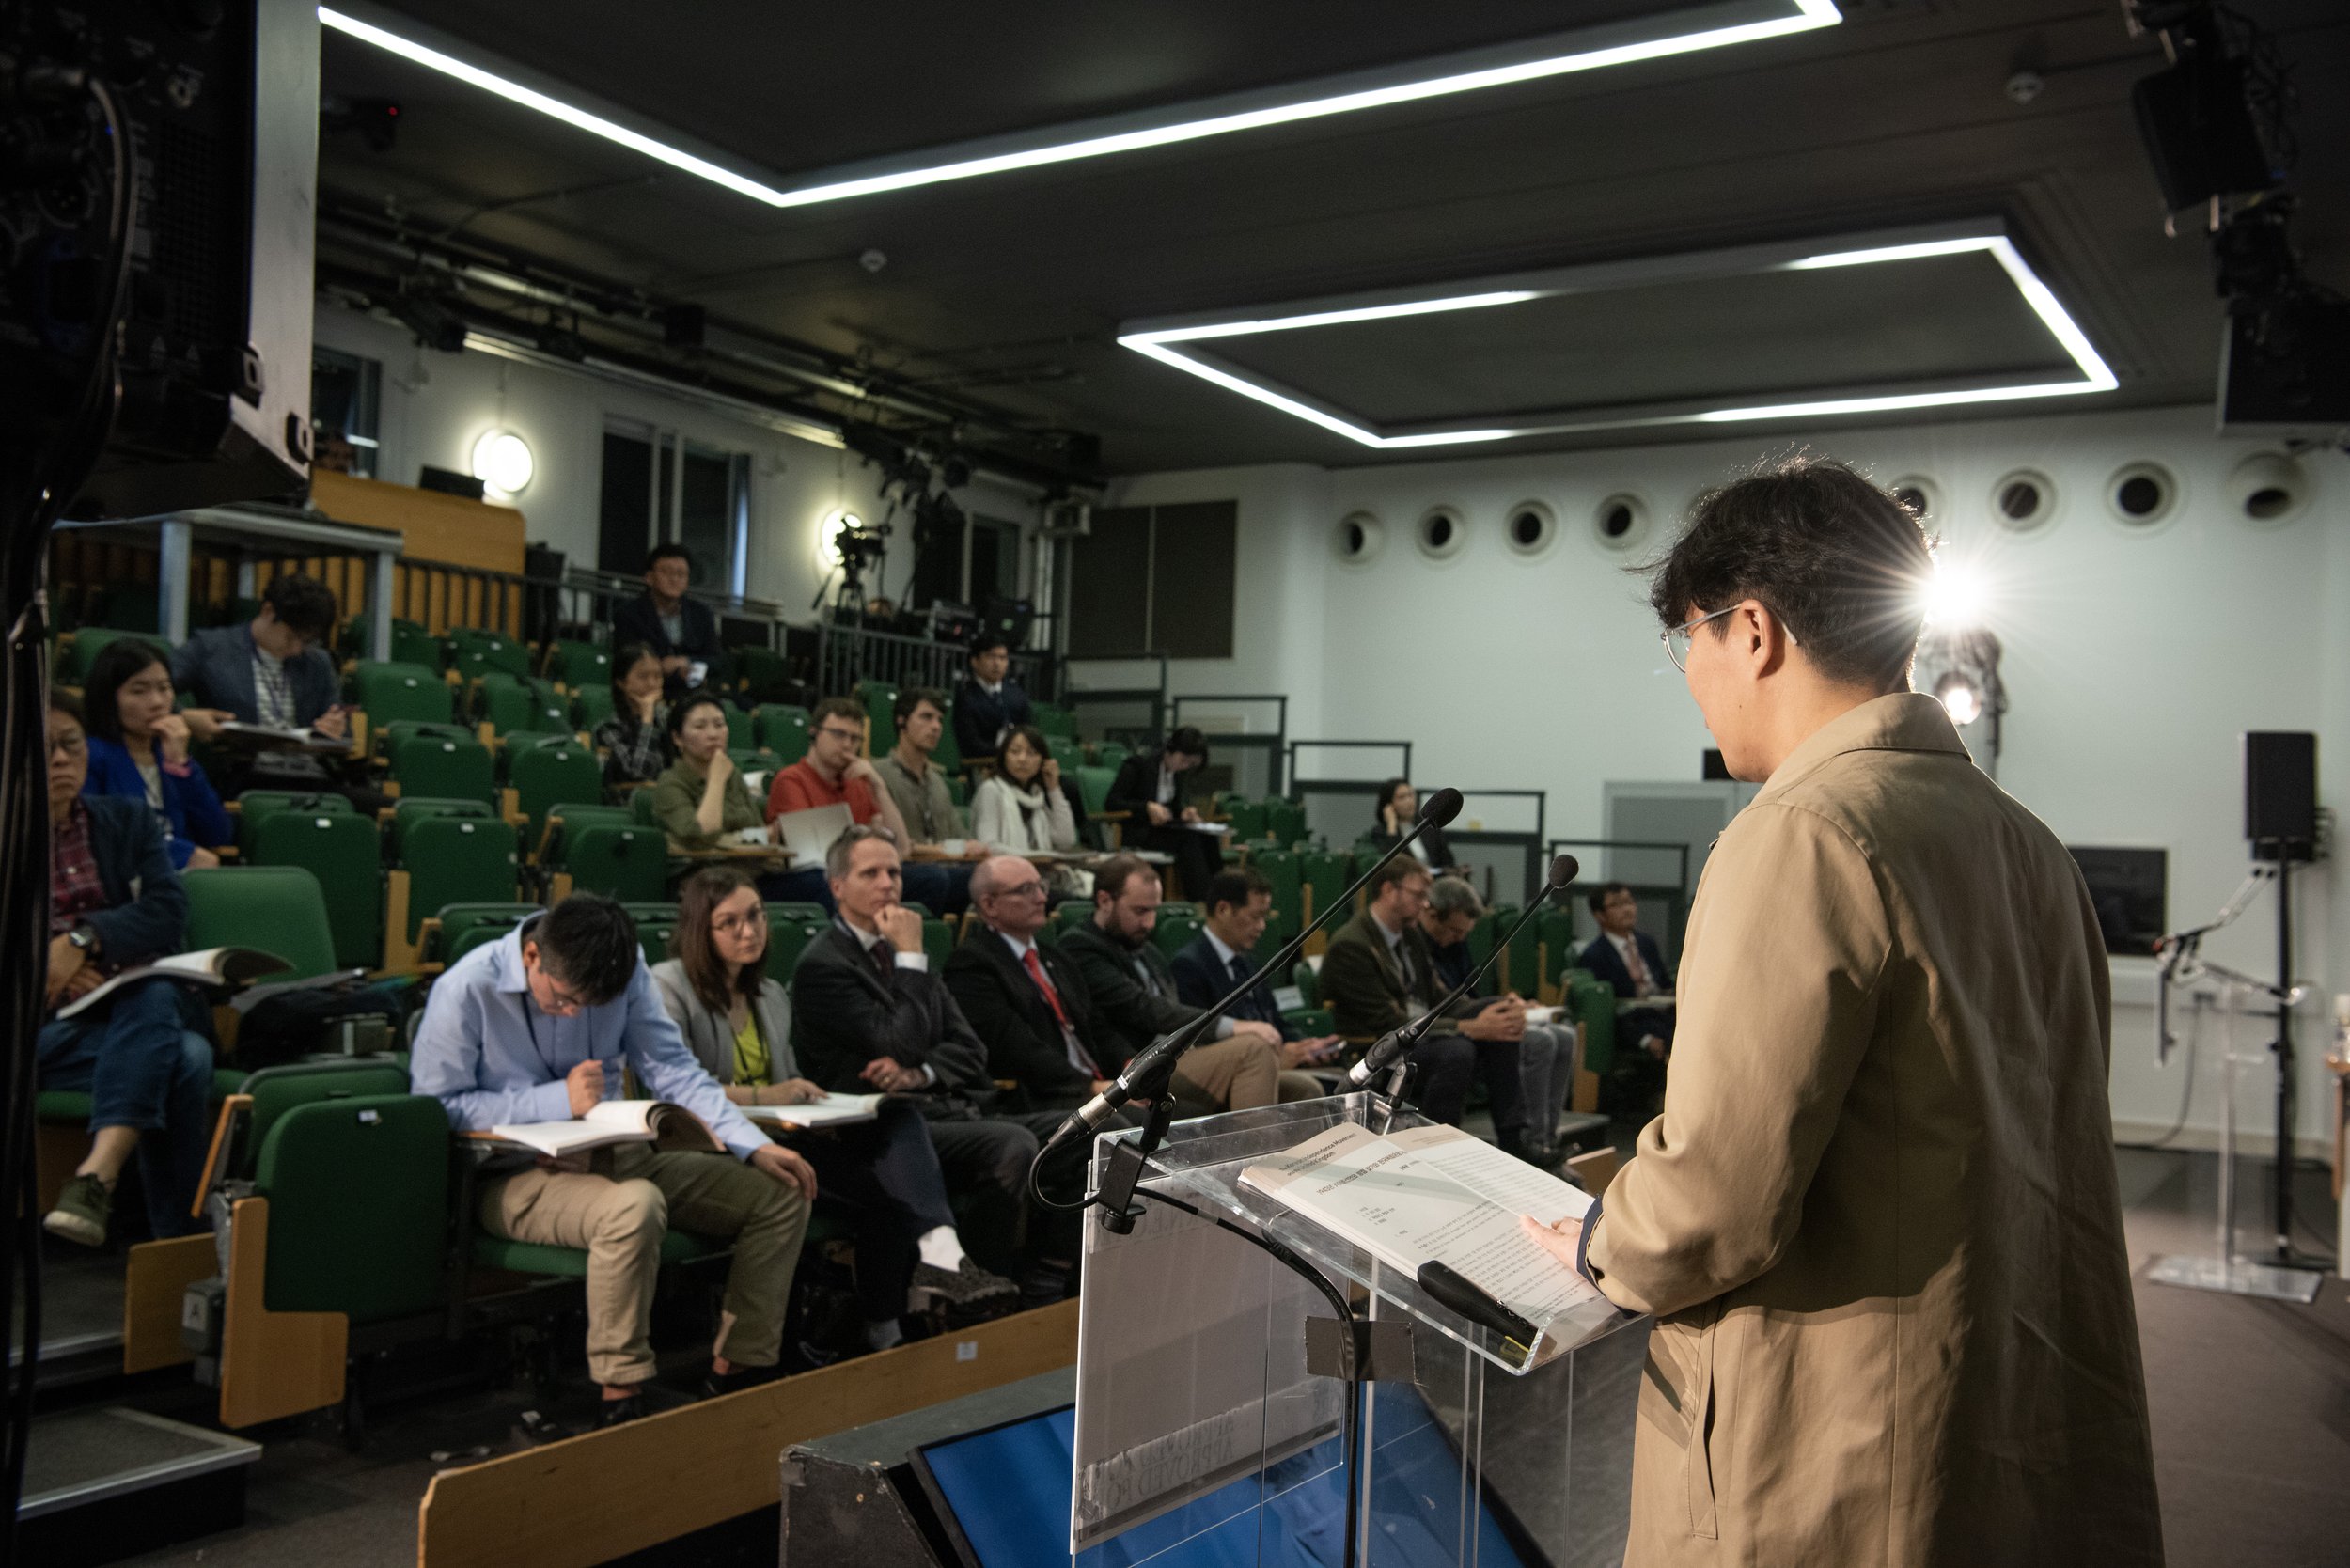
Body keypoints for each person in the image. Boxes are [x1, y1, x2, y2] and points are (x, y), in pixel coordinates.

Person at [1519, 458, 2160, 1565]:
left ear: (1754, 631)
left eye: (1691, 640)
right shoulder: (2026, 842)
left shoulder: (1801, 831)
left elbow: (1716, 1202)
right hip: (2002, 1396)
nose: (1689, 676)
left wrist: (1597, 1237)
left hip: (1845, 1436)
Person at [410, 894, 813, 1427]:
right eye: (564, 1000)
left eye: (593, 1004)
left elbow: (675, 1071)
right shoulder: (467, 989)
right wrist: (555, 1100)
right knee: (634, 1207)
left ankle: (737, 1369)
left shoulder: (627, 972)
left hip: (615, 1154)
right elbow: (439, 1106)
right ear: (532, 956)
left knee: (781, 1191)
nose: (576, 1012)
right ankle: (620, 1397)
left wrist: (753, 1144)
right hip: (514, 1177)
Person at [651, 868, 1015, 1344]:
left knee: (892, 1157)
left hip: (775, 1136)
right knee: (877, 1178)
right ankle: (926, 1280)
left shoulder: (768, 994)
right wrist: (767, 1097)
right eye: (731, 923)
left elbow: (783, 1085)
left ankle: (889, 1325)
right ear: (701, 929)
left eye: (757, 917)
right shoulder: (668, 986)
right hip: (710, 1146)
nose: (750, 931)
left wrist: (803, 1109)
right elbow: (675, 1091)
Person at [788, 825, 1081, 1289]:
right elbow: (896, 1043)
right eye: (872, 873)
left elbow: (970, 1049)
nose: (888, 883)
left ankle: (1053, 1274)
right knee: (1011, 1145)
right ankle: (976, 1290)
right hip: (876, 1131)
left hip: (943, 1107)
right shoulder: (824, 966)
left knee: (1092, 1128)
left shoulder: (905, 952)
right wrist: (909, 957)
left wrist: (920, 1071)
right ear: (837, 887)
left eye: (894, 872)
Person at [38, 694, 215, 1247]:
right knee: (187, 1058)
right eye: (44, 750)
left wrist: (82, 942)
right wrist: (49, 965)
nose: (63, 760)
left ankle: (97, 1178)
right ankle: (176, 1249)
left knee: (155, 992)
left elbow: (167, 911)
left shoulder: (125, 820)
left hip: (124, 1009)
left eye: (71, 745)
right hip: (47, 1029)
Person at [1058, 855, 1316, 1114]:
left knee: (1306, 1090)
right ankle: (1256, 1154)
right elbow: (1142, 1007)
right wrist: (1231, 1026)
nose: (1150, 922)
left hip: (1176, 1058)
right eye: (1140, 911)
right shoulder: (1082, 947)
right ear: (1104, 901)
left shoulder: (1147, 950)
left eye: (1153, 911)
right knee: (1253, 1049)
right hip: (1139, 1064)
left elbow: (1170, 1005)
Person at [1319, 859, 1532, 1152]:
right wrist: (1469, 1028)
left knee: (1496, 1011)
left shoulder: (1409, 936)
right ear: (1388, 890)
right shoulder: (1352, 944)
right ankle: (1436, 1147)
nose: (1425, 904)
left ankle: (1514, 1138)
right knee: (1458, 1050)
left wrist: (1499, 1009)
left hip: (1416, 1033)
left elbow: (1439, 999)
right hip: (1376, 1050)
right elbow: (1386, 1023)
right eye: (1418, 895)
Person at [1419, 876, 1576, 1167]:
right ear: (1431, 914)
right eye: (1454, 930)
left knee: (1565, 1035)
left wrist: (1508, 1005)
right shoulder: (1416, 944)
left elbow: (1463, 997)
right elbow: (1427, 1007)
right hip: (1438, 1031)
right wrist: (1487, 1016)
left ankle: (1543, 1138)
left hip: (1462, 1017)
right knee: (1541, 1040)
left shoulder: (1455, 941)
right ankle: (1526, 1138)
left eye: (1465, 932)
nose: (1459, 938)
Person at [945, 855, 1120, 1113]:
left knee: (1178, 1111)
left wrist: (1129, 1068)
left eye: (1041, 886)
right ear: (990, 904)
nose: (1041, 898)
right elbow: (1017, 1049)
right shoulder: (972, 966)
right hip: (1043, 1096)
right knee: (1130, 1125)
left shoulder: (1055, 957)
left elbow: (1096, 1025)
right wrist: (1092, 1088)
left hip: (1098, 1086)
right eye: (1026, 890)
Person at [170, 572, 361, 801]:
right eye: (291, 637)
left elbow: (340, 722)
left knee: (383, 809)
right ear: (268, 611)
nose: (297, 649)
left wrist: (336, 728)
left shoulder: (317, 662)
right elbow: (155, 689)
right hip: (242, 775)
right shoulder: (211, 648)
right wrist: (184, 715)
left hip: (311, 776)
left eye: (307, 641)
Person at [768, 696, 954, 914]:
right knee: (832, 883)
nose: (847, 744)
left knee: (933, 878)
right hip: (811, 874)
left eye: (855, 739)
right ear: (814, 733)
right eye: (838, 734)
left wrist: (879, 787)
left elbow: (902, 849)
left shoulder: (858, 782)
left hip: (861, 870)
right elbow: (816, 853)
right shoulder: (791, 779)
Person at [1170, 869, 1345, 1080]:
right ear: (1223, 909)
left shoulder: (1248, 960)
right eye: (1255, 916)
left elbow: (1274, 1021)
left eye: (1264, 917)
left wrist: (1306, 1047)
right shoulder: (1189, 965)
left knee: (1346, 1079)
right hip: (1239, 1073)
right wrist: (1276, 1057)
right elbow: (1205, 1042)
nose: (1262, 926)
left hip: (1273, 1063)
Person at [79, 636, 230, 870]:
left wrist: (180, 766)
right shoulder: (92, 756)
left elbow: (217, 833)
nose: (158, 702)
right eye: (139, 691)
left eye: (164, 688)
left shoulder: (172, 754)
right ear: (109, 698)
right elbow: (101, 836)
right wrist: (181, 855)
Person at [1577, 881, 1675, 1113]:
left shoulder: (1646, 943)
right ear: (1599, 915)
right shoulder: (1594, 955)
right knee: (1669, 1039)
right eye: (1617, 905)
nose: (1628, 909)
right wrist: (1644, 1038)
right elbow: (1608, 1011)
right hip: (1632, 1023)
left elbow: (1664, 984)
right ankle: (1667, 1107)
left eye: (1630, 902)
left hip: (1663, 1013)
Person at [969, 724, 1084, 898]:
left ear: (1042, 761)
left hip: (1039, 879)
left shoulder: (1036, 796)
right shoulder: (991, 790)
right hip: (1003, 882)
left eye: (1031, 753)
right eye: (1014, 752)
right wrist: (1035, 857)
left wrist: (1054, 789)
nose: (1022, 759)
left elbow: (1065, 840)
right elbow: (988, 846)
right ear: (1004, 757)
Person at [1104, 725, 1219, 898]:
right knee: (1188, 839)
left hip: (1164, 829)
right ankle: (1202, 897)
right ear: (1170, 751)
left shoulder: (1178, 773)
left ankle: (1219, 891)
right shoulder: (1138, 765)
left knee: (1207, 835)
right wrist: (1146, 807)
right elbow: (1112, 803)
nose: (1185, 766)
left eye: (1190, 763)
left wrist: (1185, 813)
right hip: (1139, 829)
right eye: (1183, 760)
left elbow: (1173, 807)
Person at [650, 693, 768, 853]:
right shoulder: (670, 782)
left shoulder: (733, 775)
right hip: (700, 869)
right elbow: (702, 836)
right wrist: (716, 781)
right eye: (700, 726)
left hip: (749, 864)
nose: (713, 735)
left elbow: (760, 833)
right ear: (678, 738)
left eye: (719, 725)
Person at [610, 542, 725, 700]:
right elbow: (627, 662)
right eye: (667, 572)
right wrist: (666, 669)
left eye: (681, 574)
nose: (674, 579)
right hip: (649, 691)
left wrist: (685, 662)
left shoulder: (701, 614)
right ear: (649, 577)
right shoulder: (628, 614)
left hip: (694, 692)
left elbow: (716, 661)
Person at [594, 641, 671, 787]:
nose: (652, 683)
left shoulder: (669, 718)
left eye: (658, 676)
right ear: (621, 683)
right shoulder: (609, 728)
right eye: (643, 676)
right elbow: (640, 774)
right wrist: (647, 720)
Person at [952, 631, 1030, 760]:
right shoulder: (966, 698)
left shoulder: (1017, 695)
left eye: (1002, 658)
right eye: (990, 657)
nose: (997, 663)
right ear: (975, 661)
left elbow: (1029, 733)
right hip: (983, 764)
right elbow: (970, 745)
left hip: (1018, 762)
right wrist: (1006, 753)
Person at [1359, 778, 1457, 871]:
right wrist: (1392, 826)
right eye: (1402, 797)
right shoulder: (1380, 832)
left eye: (1411, 795)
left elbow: (1447, 860)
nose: (1409, 801)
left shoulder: (1428, 825)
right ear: (1389, 804)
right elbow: (1391, 864)